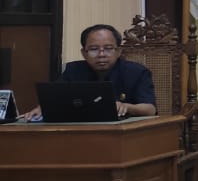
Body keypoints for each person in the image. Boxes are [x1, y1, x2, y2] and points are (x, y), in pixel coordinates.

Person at [19, 23, 158, 121]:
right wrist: (42, 108)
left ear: (119, 51)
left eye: (108, 48)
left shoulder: (137, 72)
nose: (101, 54)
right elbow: (54, 98)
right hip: (80, 132)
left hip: (123, 133)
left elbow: (150, 109)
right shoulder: (72, 70)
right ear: (84, 53)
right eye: (93, 49)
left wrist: (127, 107)